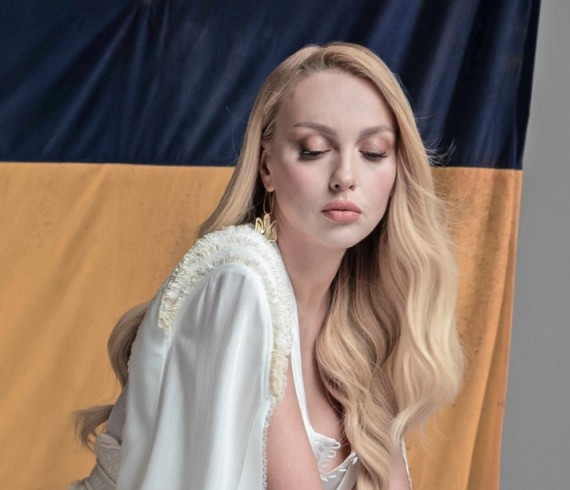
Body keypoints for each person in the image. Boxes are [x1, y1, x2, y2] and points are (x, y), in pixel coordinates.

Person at [72, 42, 463, 490]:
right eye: (314, 150)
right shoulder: (239, 277)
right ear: (267, 168)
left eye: (373, 152)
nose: (345, 177)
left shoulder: (360, 326)